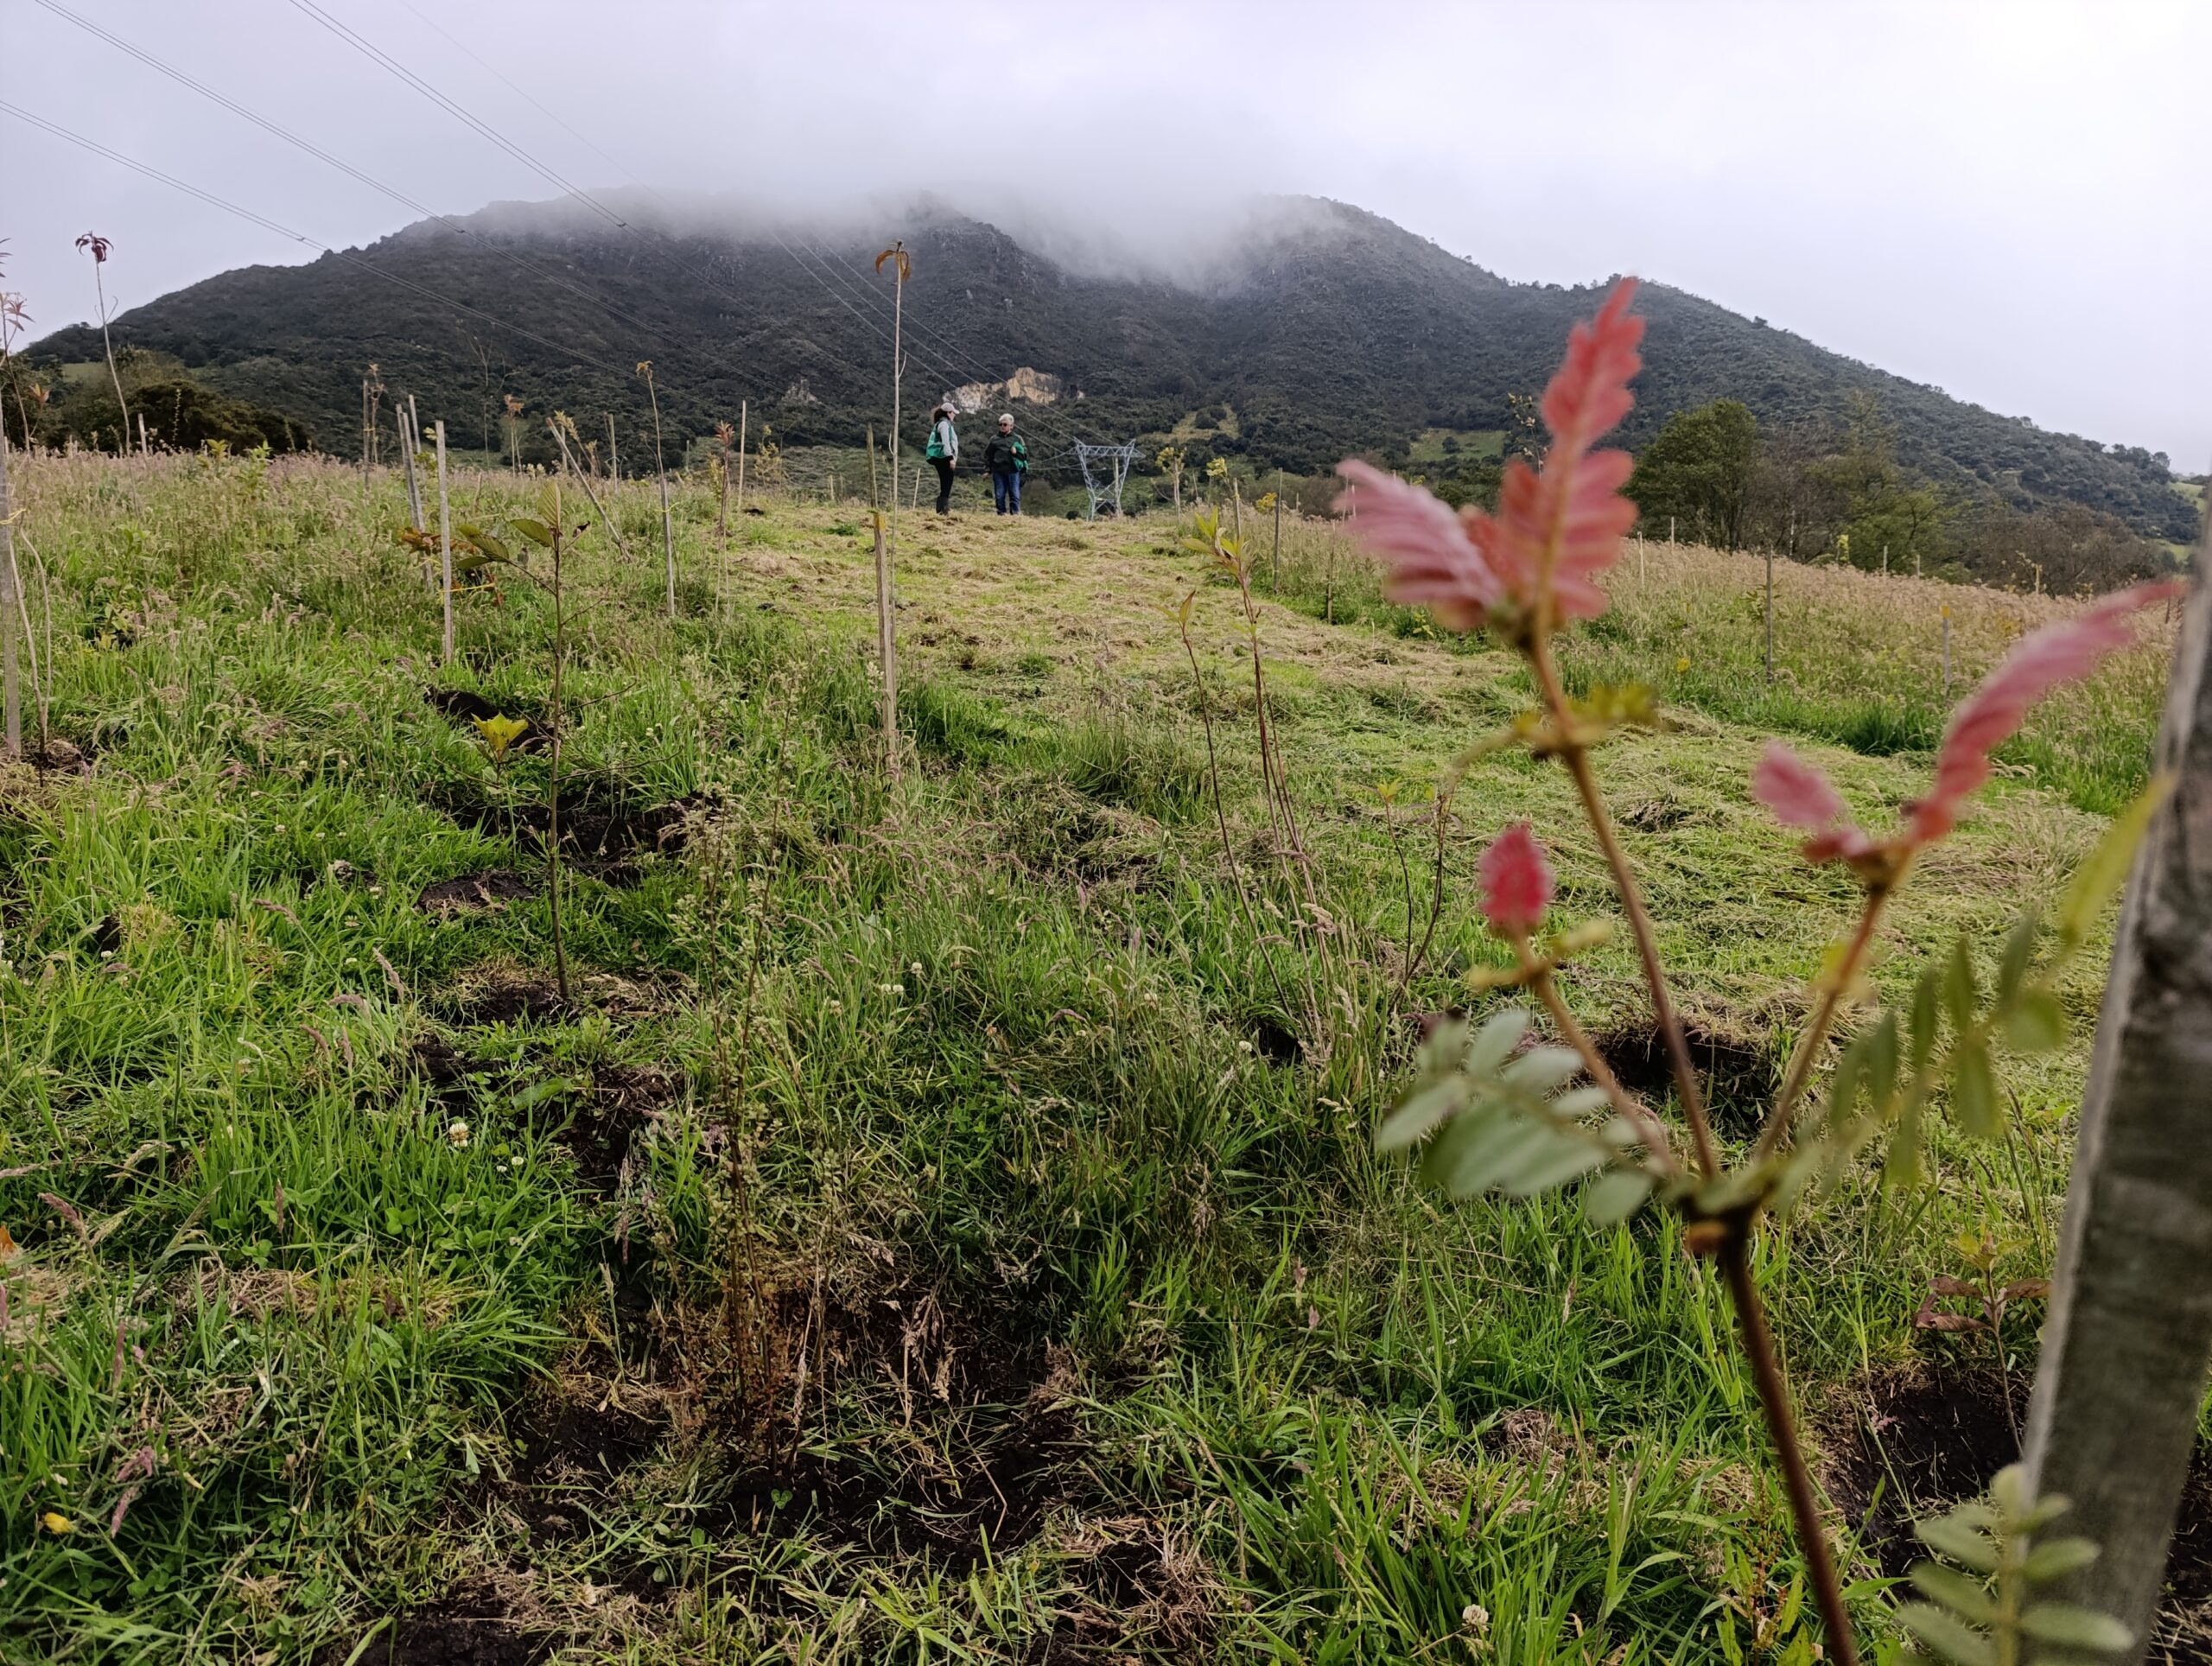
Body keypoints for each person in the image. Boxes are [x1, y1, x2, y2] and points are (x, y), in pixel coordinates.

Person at [982, 412, 1027, 515]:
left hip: (1013, 471)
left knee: (1014, 494)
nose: (1002, 426)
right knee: (999, 495)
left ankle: (1015, 517)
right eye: (1000, 424)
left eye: (1005, 424)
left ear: (1011, 426)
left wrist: (1016, 453)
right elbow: (987, 455)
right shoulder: (994, 439)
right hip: (998, 471)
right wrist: (987, 470)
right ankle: (1001, 516)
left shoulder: (1018, 439)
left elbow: (1025, 456)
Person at [925, 403, 959, 514]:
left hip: (941, 457)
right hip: (943, 457)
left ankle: (942, 510)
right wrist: (951, 458)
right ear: (949, 413)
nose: (954, 415)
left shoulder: (944, 424)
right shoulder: (944, 424)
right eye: (953, 413)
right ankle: (942, 510)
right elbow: (946, 442)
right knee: (947, 483)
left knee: (945, 483)